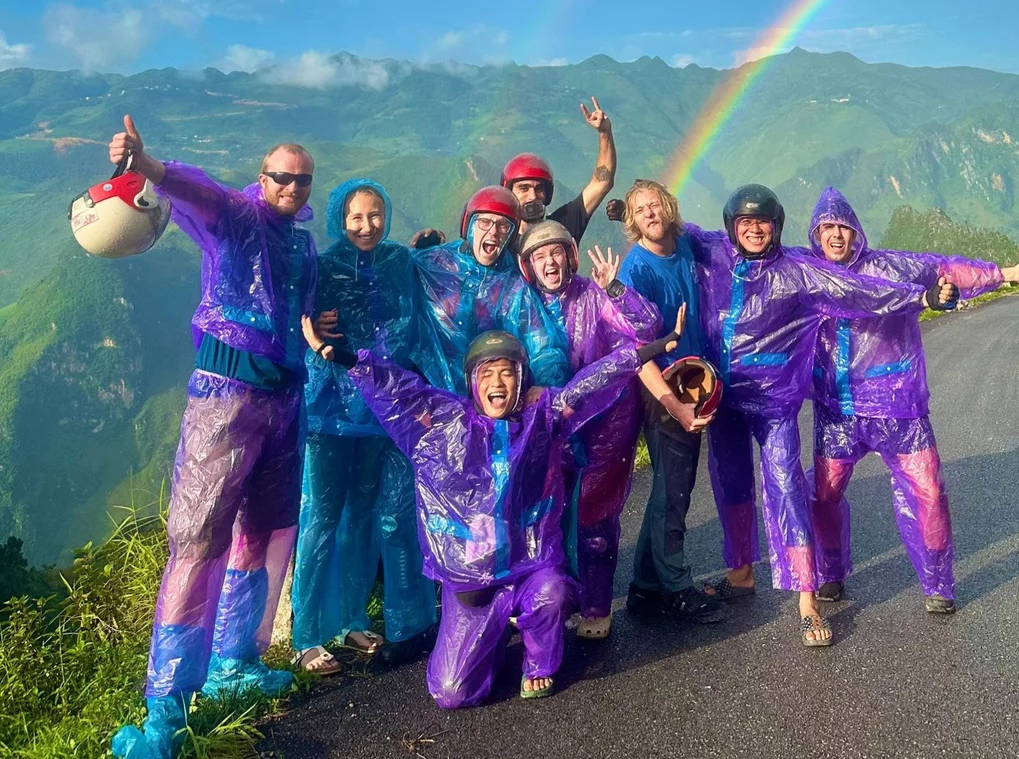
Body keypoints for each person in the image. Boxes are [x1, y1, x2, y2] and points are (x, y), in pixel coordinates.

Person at [299, 312, 684, 707]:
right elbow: (399, 390)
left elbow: (590, 384)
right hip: (473, 585)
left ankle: (539, 662)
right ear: (472, 382)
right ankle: (492, 639)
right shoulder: (446, 425)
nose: (497, 383)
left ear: (522, 380)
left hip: (531, 569)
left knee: (551, 593)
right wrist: (344, 357)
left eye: (507, 373)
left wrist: (649, 349)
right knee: (452, 693)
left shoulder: (542, 419)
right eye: (486, 374)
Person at [109, 116, 318, 759]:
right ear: (263, 178)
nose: (292, 187)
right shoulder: (239, 217)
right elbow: (196, 191)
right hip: (225, 396)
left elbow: (300, 310)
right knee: (198, 538)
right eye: (282, 177)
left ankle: (235, 665)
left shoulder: (301, 245)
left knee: (263, 529)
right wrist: (148, 167)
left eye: (302, 180)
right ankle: (165, 708)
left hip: (284, 397)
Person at [683, 184, 958, 647]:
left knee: (789, 489)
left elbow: (858, 291)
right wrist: (630, 209)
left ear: (778, 226)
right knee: (729, 485)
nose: (753, 229)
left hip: (773, 403)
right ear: (731, 226)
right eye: (745, 222)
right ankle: (741, 572)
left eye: (763, 221)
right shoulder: (713, 252)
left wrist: (921, 299)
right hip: (723, 398)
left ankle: (807, 599)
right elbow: (673, 229)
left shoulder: (796, 272)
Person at [805, 187, 1019, 614]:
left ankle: (938, 584)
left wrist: (1007, 273)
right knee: (824, 495)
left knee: (928, 493)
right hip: (838, 412)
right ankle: (830, 573)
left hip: (900, 409)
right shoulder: (805, 274)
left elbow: (946, 270)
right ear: (815, 233)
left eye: (843, 227)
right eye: (827, 228)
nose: (835, 235)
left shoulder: (891, 267)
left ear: (856, 231)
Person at [290, 180, 437, 677]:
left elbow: (436, 286)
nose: (367, 226)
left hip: (379, 409)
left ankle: (350, 618)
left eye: (376, 215)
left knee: (361, 515)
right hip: (330, 410)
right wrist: (309, 326)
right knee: (322, 518)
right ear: (339, 219)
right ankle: (305, 635)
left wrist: (433, 244)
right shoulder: (323, 266)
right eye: (356, 217)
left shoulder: (398, 261)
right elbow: (288, 308)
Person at [517, 220, 669, 640]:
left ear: (571, 256)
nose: (550, 261)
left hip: (607, 423)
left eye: (557, 252)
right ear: (528, 265)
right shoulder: (524, 303)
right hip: (550, 426)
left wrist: (616, 288)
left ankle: (598, 606)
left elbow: (646, 329)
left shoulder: (593, 293)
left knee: (596, 518)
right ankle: (558, 599)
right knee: (549, 516)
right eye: (540, 255)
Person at [616, 180, 724, 625]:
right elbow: (635, 353)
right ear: (632, 221)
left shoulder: (681, 247)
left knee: (667, 488)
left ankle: (644, 588)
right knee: (674, 491)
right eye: (639, 210)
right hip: (663, 390)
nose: (649, 213)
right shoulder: (635, 271)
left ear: (667, 206)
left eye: (654, 204)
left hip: (693, 380)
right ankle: (676, 588)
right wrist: (673, 405)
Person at [411, 185, 570, 395]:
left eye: (504, 226)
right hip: (424, 390)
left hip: (487, 397)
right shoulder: (435, 264)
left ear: (511, 236)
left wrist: (544, 387)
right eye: (484, 222)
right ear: (469, 226)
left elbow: (542, 344)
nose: (493, 232)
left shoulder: (513, 288)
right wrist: (413, 253)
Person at [501, 95, 617, 245]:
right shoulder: (500, 243)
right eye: (524, 188)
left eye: (539, 189)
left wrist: (605, 133)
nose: (532, 196)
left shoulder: (562, 226)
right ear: (508, 194)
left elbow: (602, 183)